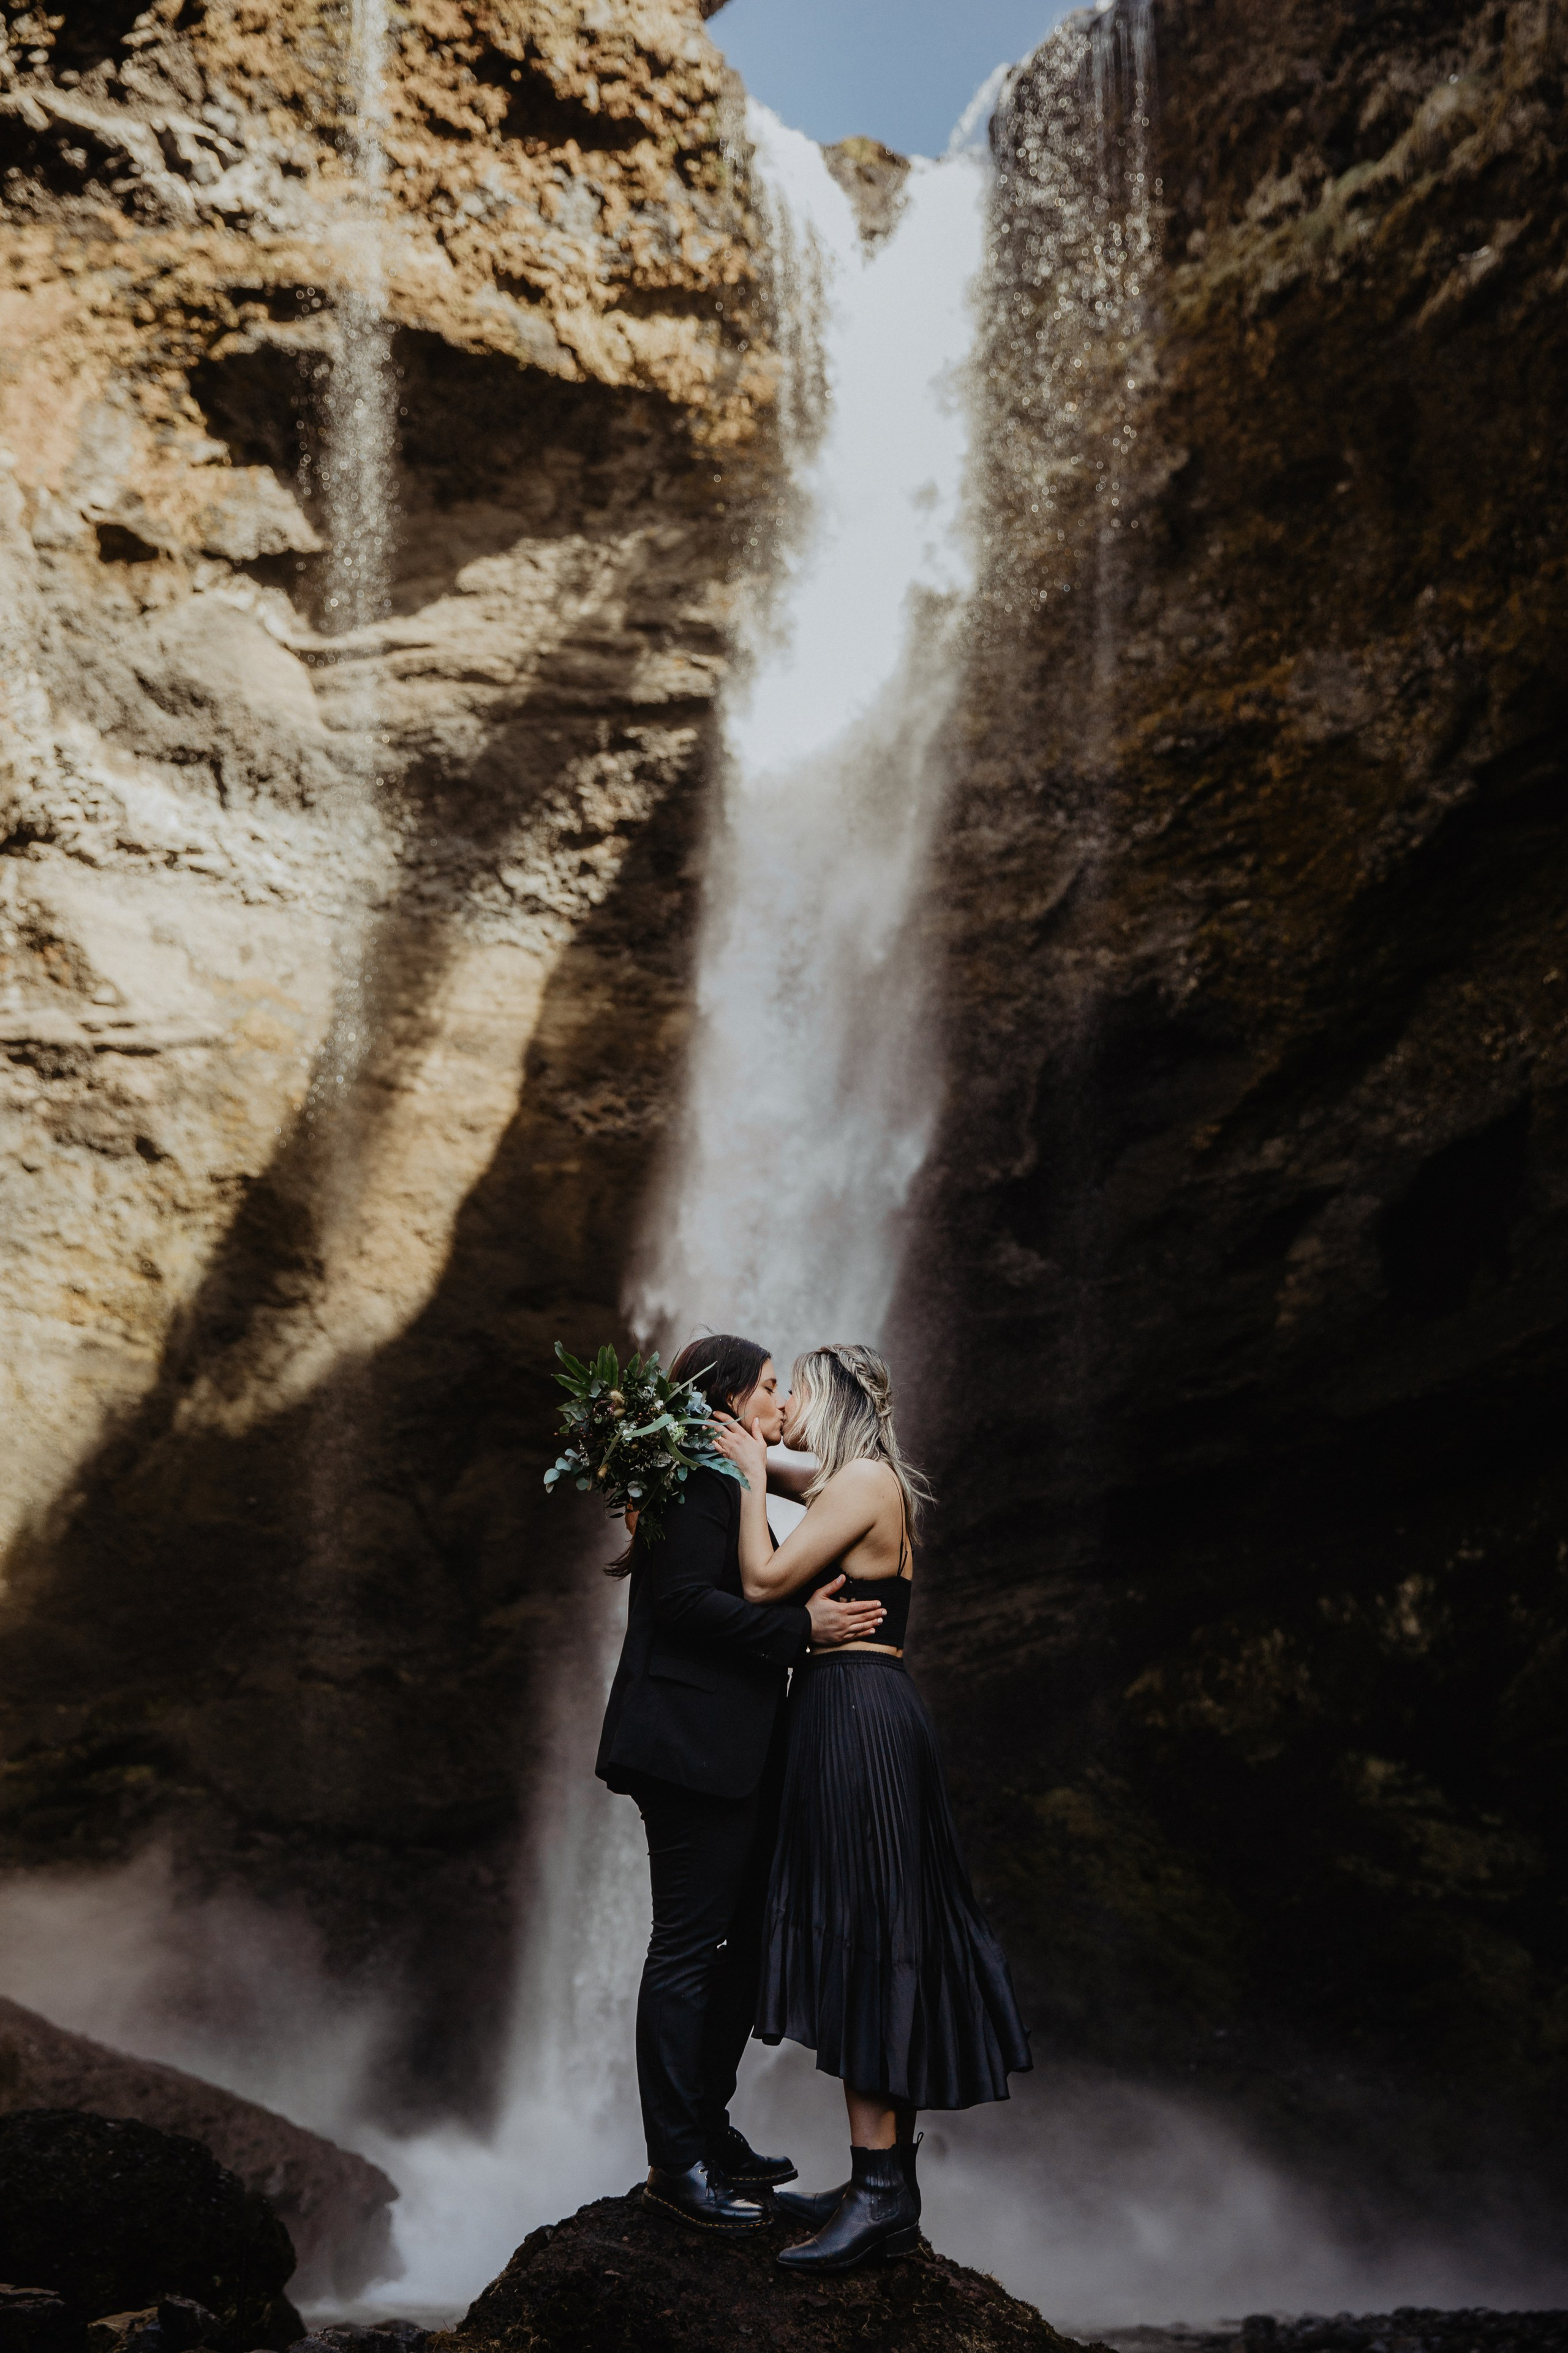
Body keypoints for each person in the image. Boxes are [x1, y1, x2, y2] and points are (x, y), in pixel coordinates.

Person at [710, 1342, 1032, 2273]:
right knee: (875, 1924)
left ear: (837, 1399)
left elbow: (762, 1583)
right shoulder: (855, 1478)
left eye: (797, 1390)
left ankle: (881, 2192)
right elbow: (769, 1466)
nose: (784, 1406)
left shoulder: (860, 1483)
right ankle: (881, 2184)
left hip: (855, 1712)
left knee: (869, 1928)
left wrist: (746, 1481)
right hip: (849, 1707)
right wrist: (726, 1449)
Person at [595, 1332, 889, 2234]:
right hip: (687, 1748)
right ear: (726, 1396)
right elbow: (682, 1603)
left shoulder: (728, 1471)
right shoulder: (694, 1474)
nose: (782, 1402)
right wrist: (804, 1630)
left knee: (749, 1940)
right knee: (688, 1945)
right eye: (768, 1387)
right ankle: (673, 2162)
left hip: (732, 1752)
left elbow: (832, 1483)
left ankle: (706, 2130)